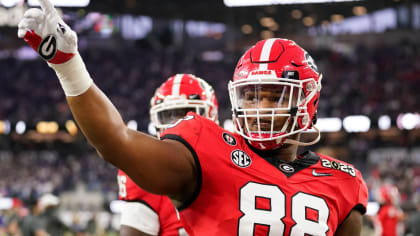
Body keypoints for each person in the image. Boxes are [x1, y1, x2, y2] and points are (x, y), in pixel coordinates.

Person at [17, 1, 368, 235]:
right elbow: (116, 142)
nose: (260, 109)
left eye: (274, 96)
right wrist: (68, 66)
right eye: (251, 96)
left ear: (308, 99)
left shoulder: (344, 183)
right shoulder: (207, 146)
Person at [117, 74, 218, 236]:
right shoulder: (149, 170)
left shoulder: (235, 160)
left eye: (186, 114)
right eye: (168, 115)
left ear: (211, 116)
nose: (177, 125)